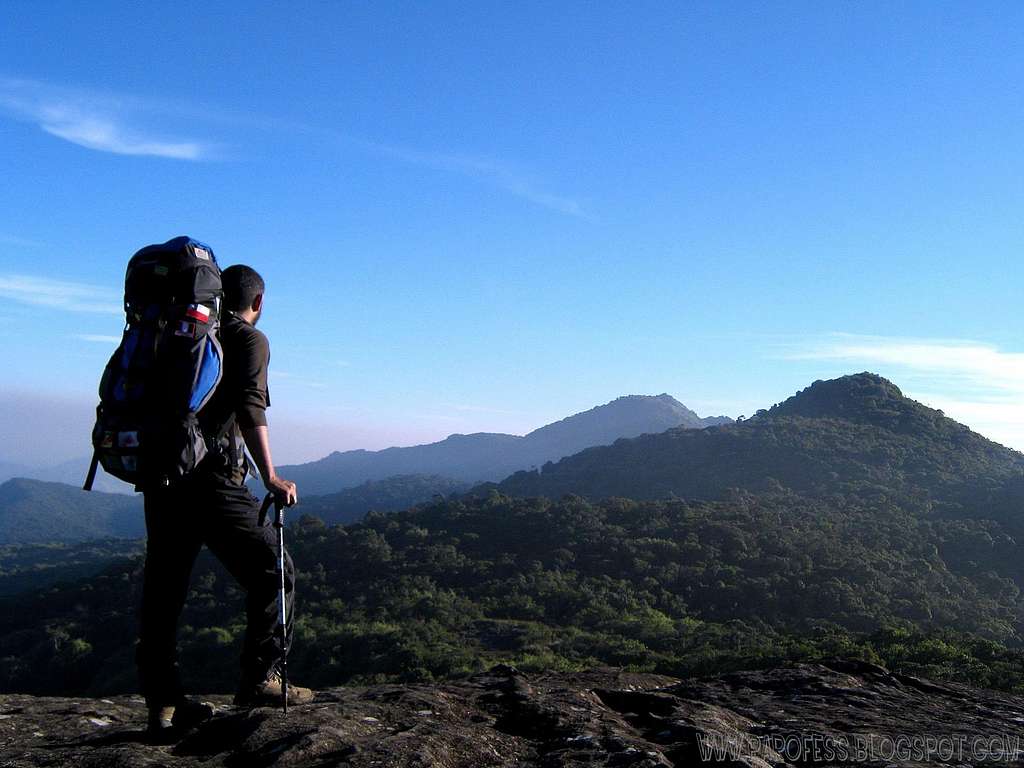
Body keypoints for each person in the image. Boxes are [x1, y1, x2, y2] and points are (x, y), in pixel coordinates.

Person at [136, 264, 313, 739]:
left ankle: (163, 705)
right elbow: (251, 404)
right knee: (274, 571)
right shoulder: (249, 339)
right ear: (258, 302)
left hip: (162, 477)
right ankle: (262, 680)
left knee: (165, 590)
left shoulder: (178, 332)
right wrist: (271, 475)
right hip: (211, 479)